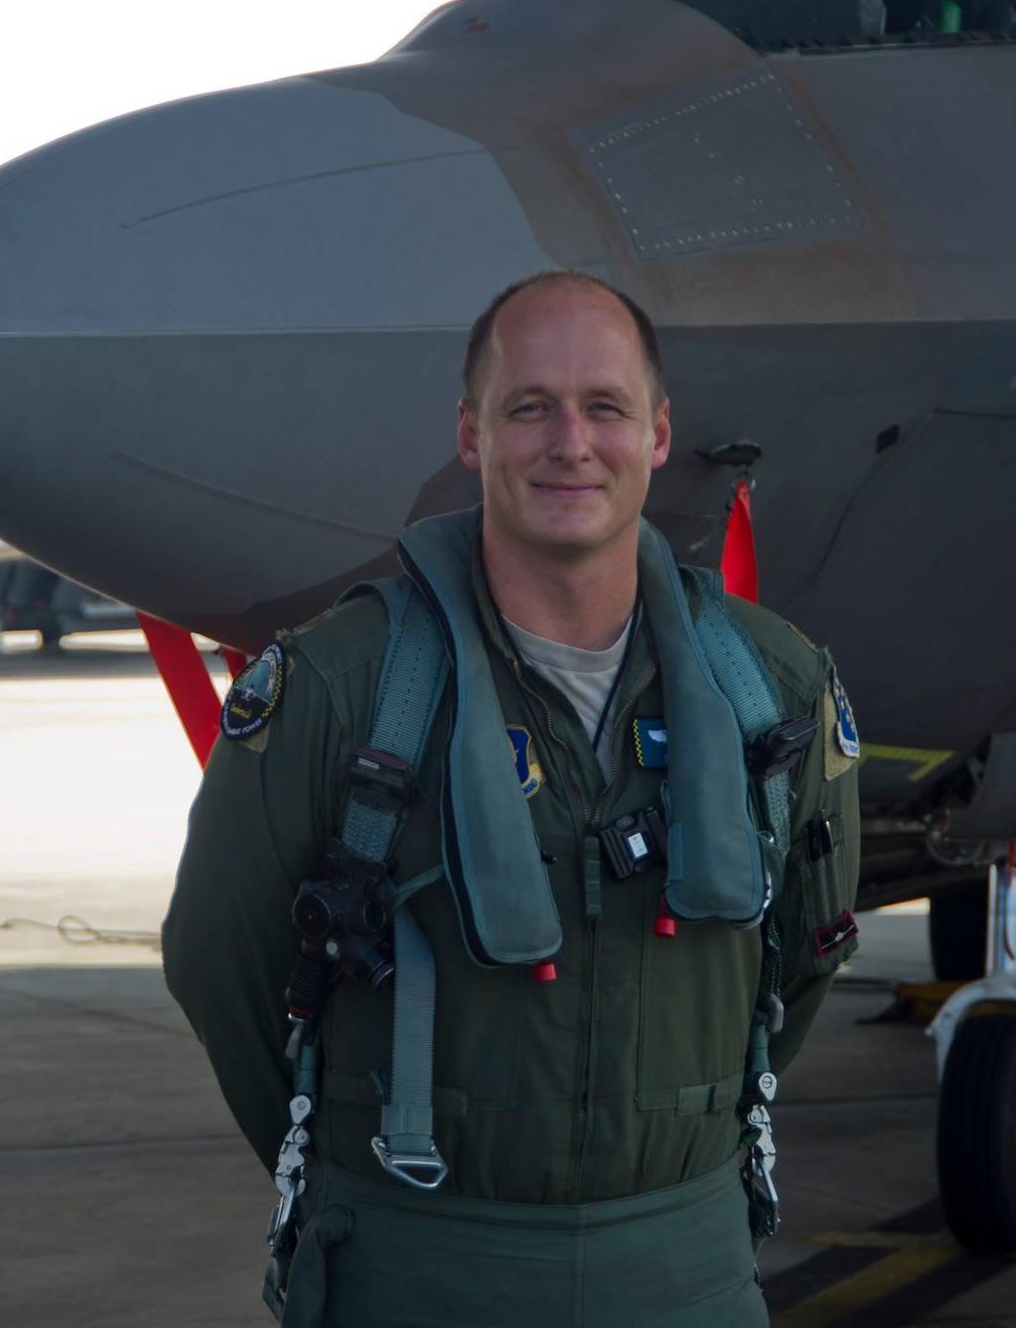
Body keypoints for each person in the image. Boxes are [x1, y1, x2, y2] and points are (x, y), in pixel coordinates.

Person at [164, 270, 863, 1326]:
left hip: (683, 1269)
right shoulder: (342, 687)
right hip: (416, 1263)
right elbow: (223, 959)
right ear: (470, 432)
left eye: (604, 408)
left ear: (659, 433)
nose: (568, 442)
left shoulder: (773, 690)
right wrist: (358, 1173)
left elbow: (803, 956)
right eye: (528, 406)